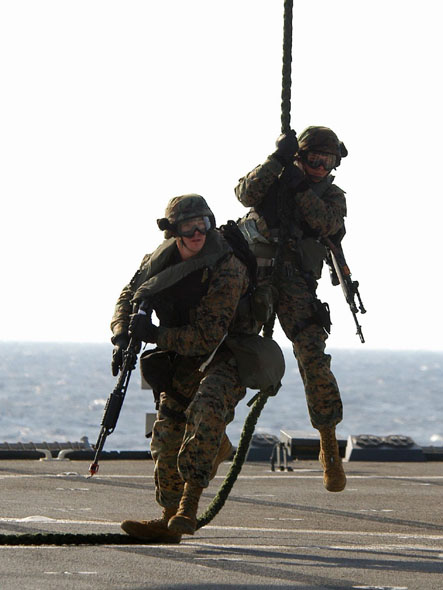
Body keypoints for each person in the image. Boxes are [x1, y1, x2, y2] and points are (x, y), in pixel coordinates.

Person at [110, 194, 256, 543]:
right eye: (188, 227)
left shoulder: (227, 265)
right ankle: (167, 518)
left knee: (206, 409)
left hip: (228, 353)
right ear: (173, 231)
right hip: (183, 355)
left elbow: (207, 337)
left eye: (202, 225)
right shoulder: (158, 261)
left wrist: (155, 335)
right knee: (167, 434)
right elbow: (129, 294)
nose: (197, 234)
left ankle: (188, 507)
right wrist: (121, 333)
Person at [235, 126, 348, 492]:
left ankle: (328, 444)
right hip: (252, 275)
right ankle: (213, 436)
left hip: (295, 282)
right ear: (300, 156)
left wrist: (300, 188)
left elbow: (327, 222)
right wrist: (275, 161)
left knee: (313, 356)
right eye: (313, 159)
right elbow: (244, 193)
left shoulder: (330, 195)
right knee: (227, 353)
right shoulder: (276, 175)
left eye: (327, 161)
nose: (320, 167)